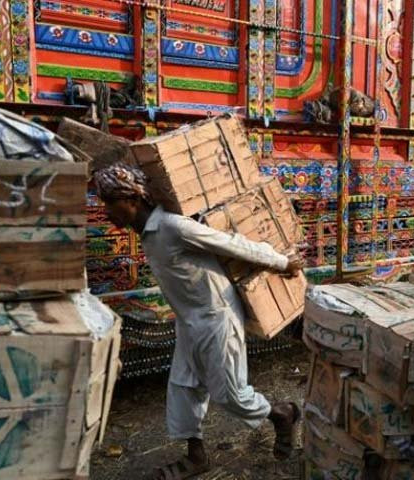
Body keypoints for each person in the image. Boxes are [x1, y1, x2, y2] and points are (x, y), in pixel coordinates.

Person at [95, 163, 305, 480]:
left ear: (133, 200)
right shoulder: (149, 234)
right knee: (183, 388)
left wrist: (281, 262)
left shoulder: (173, 227)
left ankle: (283, 413)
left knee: (231, 395)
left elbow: (230, 243)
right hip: (188, 322)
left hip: (216, 318)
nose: (107, 211)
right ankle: (196, 457)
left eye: (111, 203)